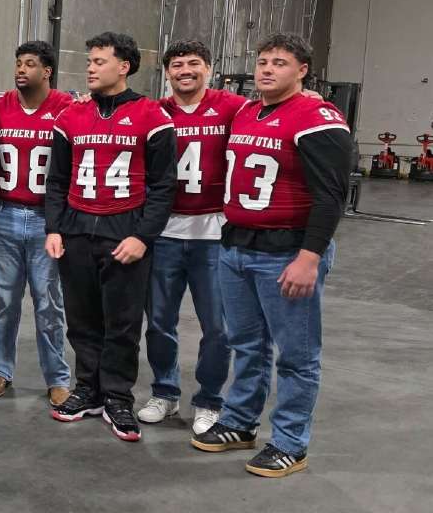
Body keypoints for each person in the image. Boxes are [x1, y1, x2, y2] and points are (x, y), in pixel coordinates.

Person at [192, 33, 351, 478]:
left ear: (302, 70)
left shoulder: (317, 117)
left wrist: (310, 257)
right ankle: (241, 422)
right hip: (238, 247)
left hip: (287, 252)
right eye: (262, 61)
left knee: (296, 356)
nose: (266, 69)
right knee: (246, 345)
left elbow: (331, 197)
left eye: (280, 63)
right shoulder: (246, 110)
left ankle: (289, 443)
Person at [44, 32, 176, 442]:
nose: (90, 68)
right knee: (82, 320)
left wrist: (143, 237)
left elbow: (163, 185)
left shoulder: (151, 116)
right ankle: (89, 389)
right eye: (90, 61)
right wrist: (55, 226)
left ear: (125, 66)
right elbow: (57, 180)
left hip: (125, 232)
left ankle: (118, 395)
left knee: (121, 322)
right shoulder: (70, 116)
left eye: (99, 61)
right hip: (78, 230)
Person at [137, 40, 245, 434]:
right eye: (177, 64)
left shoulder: (233, 106)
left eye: (194, 63)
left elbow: (275, 111)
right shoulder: (153, 111)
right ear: (166, 72)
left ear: (209, 68)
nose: (185, 70)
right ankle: (164, 393)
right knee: (159, 321)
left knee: (217, 326)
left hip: (213, 234)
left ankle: (209, 400)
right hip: (164, 232)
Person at [0, 40, 73, 405]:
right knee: (4, 301)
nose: (21, 70)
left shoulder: (67, 108)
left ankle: (57, 376)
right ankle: (0, 370)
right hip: (2, 214)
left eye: (30, 64)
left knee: (48, 302)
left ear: (47, 71)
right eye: (18, 63)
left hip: (45, 221)